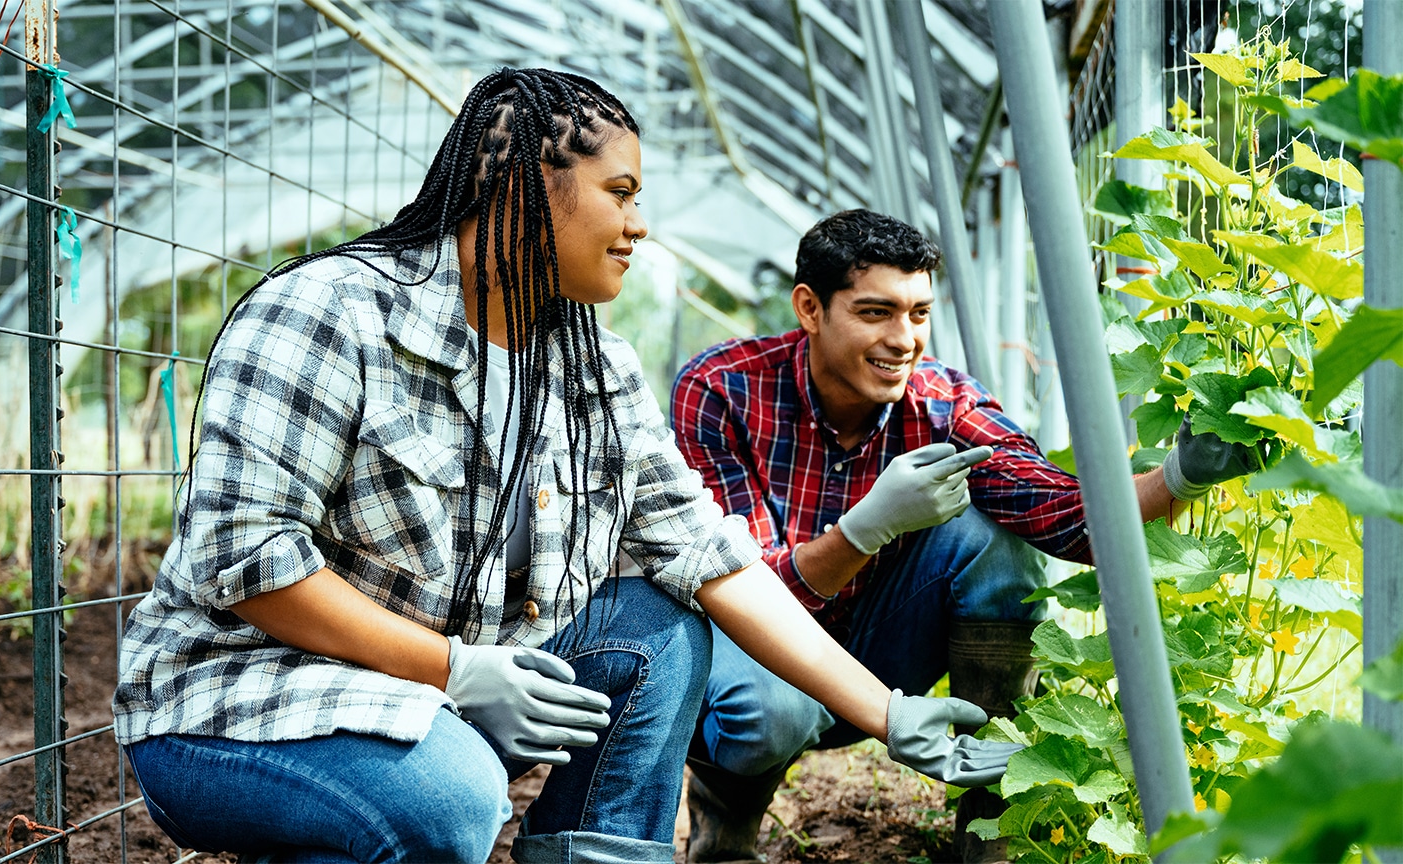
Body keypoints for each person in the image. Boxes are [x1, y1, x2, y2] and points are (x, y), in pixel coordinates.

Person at [112, 72, 1022, 864]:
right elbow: (248, 560)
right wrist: (454, 669)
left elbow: (711, 557)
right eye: (619, 192)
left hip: (439, 690)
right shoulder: (329, 312)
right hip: (240, 705)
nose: (639, 224)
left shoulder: (590, 365)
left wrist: (887, 712)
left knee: (658, 628)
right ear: (520, 186)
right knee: (452, 800)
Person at [670, 209, 1257, 863]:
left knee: (993, 540)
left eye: (919, 313)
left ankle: (993, 829)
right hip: (759, 666)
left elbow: (1059, 510)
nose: (904, 339)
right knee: (767, 715)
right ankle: (724, 834)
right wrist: (864, 530)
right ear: (810, 308)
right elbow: (741, 585)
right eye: (876, 313)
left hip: (882, 658)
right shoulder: (720, 390)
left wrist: (1177, 478)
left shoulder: (943, 405)